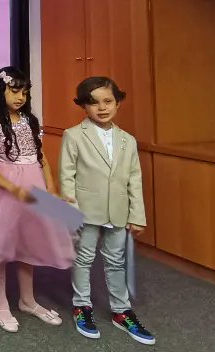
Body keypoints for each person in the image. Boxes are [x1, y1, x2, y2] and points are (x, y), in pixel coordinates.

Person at [0, 67, 73, 332]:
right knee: (0, 245)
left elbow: (41, 158)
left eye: (24, 92)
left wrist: (51, 189)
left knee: (29, 242)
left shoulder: (30, 120)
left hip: (34, 188)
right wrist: (15, 190)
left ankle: (27, 300)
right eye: (14, 91)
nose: (20, 97)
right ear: (0, 91)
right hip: (5, 191)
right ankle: (0, 302)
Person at [60, 77, 155, 345]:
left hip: (119, 211)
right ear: (83, 107)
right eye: (93, 103)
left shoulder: (127, 140)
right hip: (86, 211)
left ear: (117, 103)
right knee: (83, 258)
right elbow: (67, 177)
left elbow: (134, 179)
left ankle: (121, 311)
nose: (102, 108)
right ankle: (82, 306)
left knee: (116, 261)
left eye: (108, 101)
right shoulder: (74, 135)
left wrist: (137, 215)